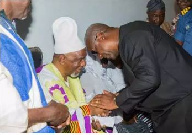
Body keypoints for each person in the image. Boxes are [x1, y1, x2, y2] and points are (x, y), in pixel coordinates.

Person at [86, 21, 192, 132]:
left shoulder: (132, 37)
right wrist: (118, 95)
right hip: (175, 104)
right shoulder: (129, 38)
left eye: (96, 51)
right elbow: (142, 79)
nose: (100, 57)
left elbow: (149, 79)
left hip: (185, 102)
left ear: (101, 36)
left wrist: (116, 101)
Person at [0, 0, 70, 133]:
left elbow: (27, 85)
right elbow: (5, 116)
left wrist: (50, 104)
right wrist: (49, 113)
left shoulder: (8, 31)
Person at [37, 17, 110, 133]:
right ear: (62, 59)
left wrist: (95, 114)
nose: (84, 63)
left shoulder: (72, 75)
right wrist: (90, 110)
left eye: (84, 58)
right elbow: (57, 118)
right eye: (79, 59)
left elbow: (78, 106)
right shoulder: (44, 80)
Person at [83, 23, 153, 133]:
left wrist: (126, 109)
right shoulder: (88, 67)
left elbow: (146, 82)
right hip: (114, 117)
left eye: (98, 51)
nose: (99, 56)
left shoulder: (128, 52)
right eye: (93, 52)